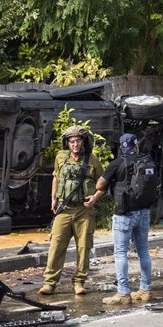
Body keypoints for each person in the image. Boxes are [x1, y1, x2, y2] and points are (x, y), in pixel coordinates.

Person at [39, 125, 104, 296]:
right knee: (56, 245)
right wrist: (53, 199)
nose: (75, 144)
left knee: (83, 247)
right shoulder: (61, 157)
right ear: (67, 143)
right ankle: (50, 283)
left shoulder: (92, 160)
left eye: (78, 141)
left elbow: (103, 184)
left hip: (84, 211)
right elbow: (56, 177)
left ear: (84, 142)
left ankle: (79, 282)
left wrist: (94, 198)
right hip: (64, 209)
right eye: (72, 141)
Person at [96, 133, 153, 305]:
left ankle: (123, 293)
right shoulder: (146, 161)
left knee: (121, 253)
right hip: (143, 212)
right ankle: (145, 290)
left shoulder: (117, 163)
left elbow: (99, 185)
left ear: (122, 147)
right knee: (143, 252)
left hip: (124, 214)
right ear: (136, 146)